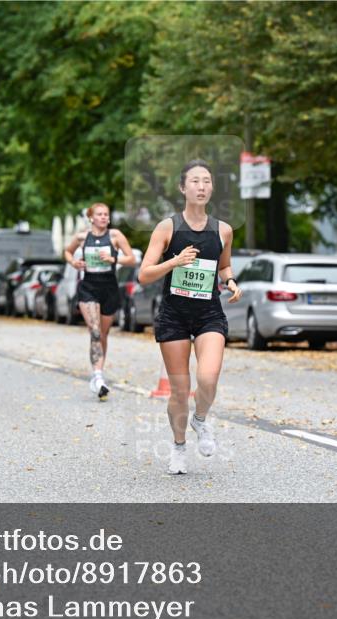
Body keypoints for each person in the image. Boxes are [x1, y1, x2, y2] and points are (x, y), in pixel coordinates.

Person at [137, 160, 242, 474]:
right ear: (183, 188)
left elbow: (224, 266)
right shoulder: (167, 228)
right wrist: (175, 262)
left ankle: (200, 420)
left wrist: (231, 281)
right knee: (180, 390)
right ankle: (179, 447)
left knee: (208, 379)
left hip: (209, 312)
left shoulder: (223, 230)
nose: (201, 186)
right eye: (195, 181)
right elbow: (144, 274)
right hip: (174, 316)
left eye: (206, 181)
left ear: (211, 188)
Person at [63, 203, 136, 400]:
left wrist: (115, 260)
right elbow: (67, 252)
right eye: (99, 214)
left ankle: (98, 373)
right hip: (89, 288)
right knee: (94, 331)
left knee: (103, 333)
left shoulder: (115, 236)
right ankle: (98, 377)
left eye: (106, 214)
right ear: (91, 218)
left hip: (109, 288)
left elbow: (131, 259)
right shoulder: (82, 237)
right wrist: (74, 263)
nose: (103, 217)